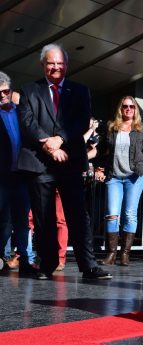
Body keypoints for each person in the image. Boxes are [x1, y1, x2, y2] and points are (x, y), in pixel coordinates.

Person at [17, 43, 111, 280]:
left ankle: (88, 266)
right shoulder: (30, 90)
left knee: (78, 216)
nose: (55, 67)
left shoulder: (80, 91)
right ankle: (47, 264)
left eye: (60, 63)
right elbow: (27, 122)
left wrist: (59, 139)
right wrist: (48, 146)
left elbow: (80, 121)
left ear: (66, 65)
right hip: (40, 163)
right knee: (43, 217)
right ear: (42, 65)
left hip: (70, 162)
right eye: (50, 63)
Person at [94, 96, 143, 266]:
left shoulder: (142, 128)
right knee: (112, 214)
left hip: (134, 177)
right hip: (114, 177)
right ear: (120, 109)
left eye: (132, 107)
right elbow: (101, 151)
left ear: (135, 110)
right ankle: (111, 254)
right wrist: (93, 164)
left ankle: (125, 253)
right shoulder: (112, 128)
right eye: (125, 106)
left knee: (129, 214)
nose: (128, 109)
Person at [0, 71, 33, 274]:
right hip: (1, 177)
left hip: (21, 175)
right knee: (2, 220)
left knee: (22, 220)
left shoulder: (21, 112)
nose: (3, 95)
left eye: (6, 91)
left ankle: (25, 261)